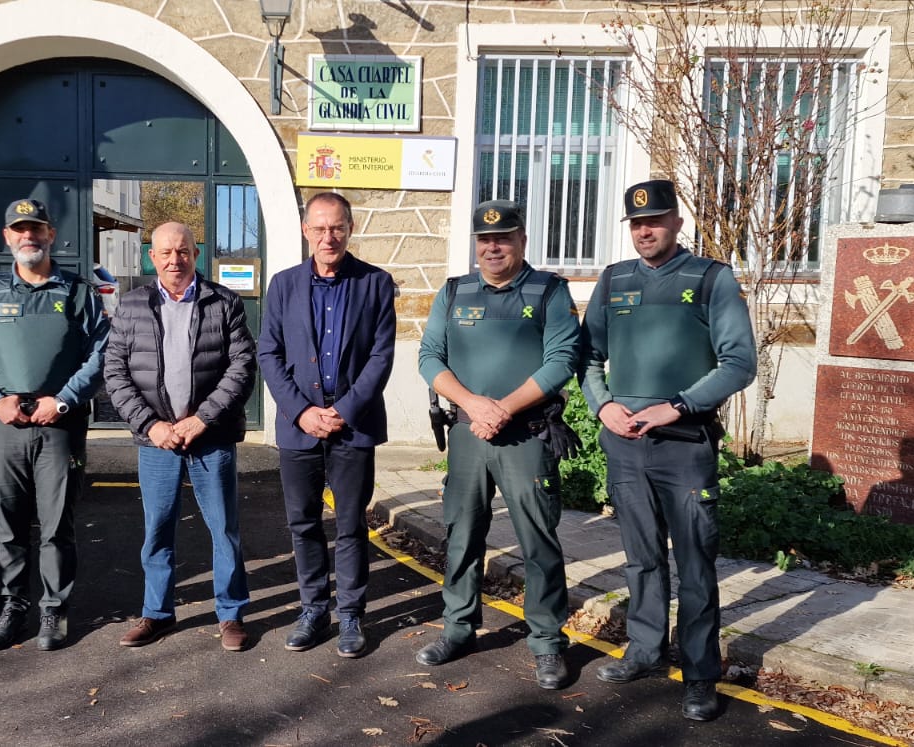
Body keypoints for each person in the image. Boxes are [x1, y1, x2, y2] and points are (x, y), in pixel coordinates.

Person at [580, 179, 756, 721]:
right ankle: (645, 648)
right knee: (641, 558)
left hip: (684, 444)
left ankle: (700, 673)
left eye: (654, 221)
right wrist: (602, 406)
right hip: (626, 444)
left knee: (696, 564)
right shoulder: (614, 279)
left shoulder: (710, 279)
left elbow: (738, 364)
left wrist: (676, 406)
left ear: (677, 222)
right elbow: (588, 358)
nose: (644, 230)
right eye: (636, 223)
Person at [414, 200, 581, 690]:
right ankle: (458, 628)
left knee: (537, 541)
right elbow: (429, 357)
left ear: (521, 240)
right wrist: (473, 403)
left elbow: (562, 359)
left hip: (525, 434)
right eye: (484, 240)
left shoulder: (550, 291)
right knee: (461, 535)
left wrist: (503, 408)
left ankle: (548, 642)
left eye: (503, 237)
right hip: (469, 433)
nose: (492, 247)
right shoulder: (454, 292)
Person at [0, 198, 109, 652]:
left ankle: (54, 609)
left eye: (37, 229)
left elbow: (101, 354)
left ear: (50, 235)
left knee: (56, 523)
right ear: (8, 237)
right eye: (20, 229)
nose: (29, 236)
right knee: (8, 524)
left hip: (58, 426)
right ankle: (13, 605)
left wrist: (62, 401)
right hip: (5, 425)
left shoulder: (78, 292)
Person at [103, 222, 257, 652]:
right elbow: (114, 373)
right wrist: (151, 425)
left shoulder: (224, 302)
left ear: (196, 254)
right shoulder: (131, 306)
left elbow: (242, 367)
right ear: (151, 257)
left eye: (184, 251)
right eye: (166, 252)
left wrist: (202, 419)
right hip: (156, 441)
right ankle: (157, 613)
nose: (175, 260)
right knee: (158, 529)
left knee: (224, 529)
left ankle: (230, 614)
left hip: (210, 436)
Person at [258, 192, 396, 658]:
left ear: (350, 228)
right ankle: (313, 608)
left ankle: (352, 614)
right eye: (318, 228)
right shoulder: (283, 285)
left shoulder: (376, 284)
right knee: (303, 524)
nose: (327, 237)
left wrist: (345, 410)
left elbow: (381, 357)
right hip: (300, 425)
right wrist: (301, 411)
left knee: (352, 524)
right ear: (305, 231)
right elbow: (269, 355)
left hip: (351, 425)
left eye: (336, 227)